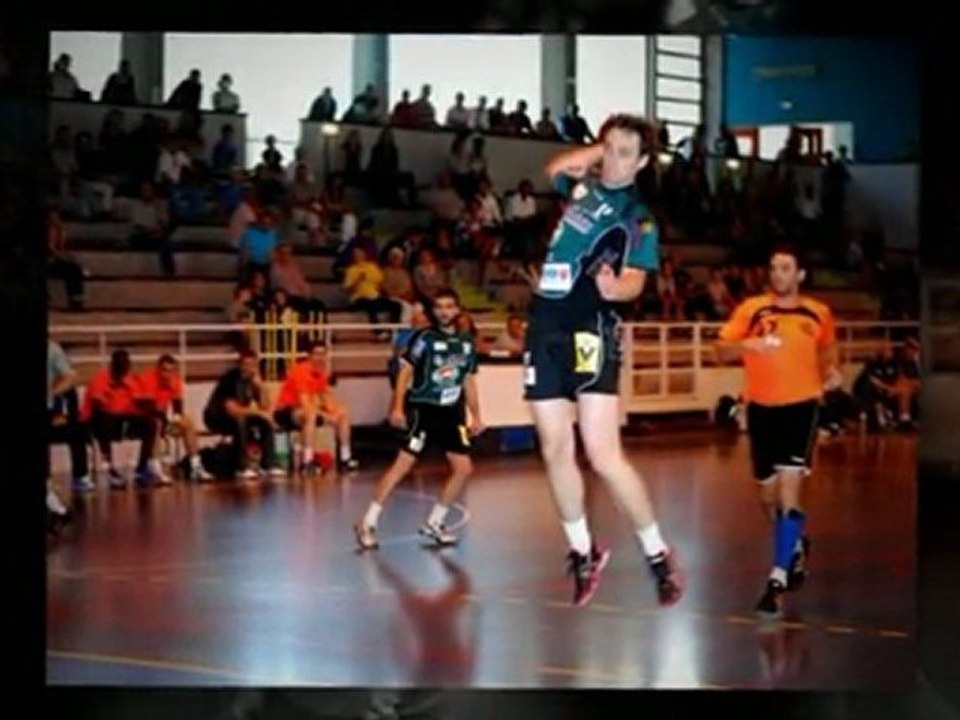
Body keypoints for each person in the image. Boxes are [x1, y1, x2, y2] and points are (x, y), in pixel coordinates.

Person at [523, 114, 683, 608]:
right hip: (546, 322)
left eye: (622, 151)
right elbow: (556, 167)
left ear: (642, 161)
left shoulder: (638, 217)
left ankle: (657, 554)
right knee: (553, 446)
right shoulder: (582, 190)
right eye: (607, 147)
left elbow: (638, 278)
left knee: (602, 454)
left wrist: (619, 289)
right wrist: (599, 150)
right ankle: (583, 551)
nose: (611, 158)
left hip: (592, 327)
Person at [715, 243, 841, 620]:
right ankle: (794, 544)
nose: (778, 274)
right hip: (761, 409)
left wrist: (830, 370)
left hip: (802, 407)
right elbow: (719, 350)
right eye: (774, 268)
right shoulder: (752, 310)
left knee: (789, 493)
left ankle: (777, 579)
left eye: (786, 268)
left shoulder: (818, 313)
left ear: (800, 274)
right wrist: (745, 345)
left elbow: (828, 349)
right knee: (767, 497)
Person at [355, 289, 482, 550]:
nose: (444, 311)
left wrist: (476, 415)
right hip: (423, 410)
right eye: (439, 306)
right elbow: (405, 371)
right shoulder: (424, 337)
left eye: (449, 306)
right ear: (434, 311)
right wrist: (398, 407)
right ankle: (367, 522)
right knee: (402, 466)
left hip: (451, 412)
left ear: (458, 310)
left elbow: (468, 379)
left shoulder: (467, 344)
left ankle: (435, 522)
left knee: (463, 468)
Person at [272, 341, 359, 473]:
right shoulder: (301, 371)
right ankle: (307, 461)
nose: (320, 357)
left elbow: (327, 400)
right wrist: (327, 416)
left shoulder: (321, 373)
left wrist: (336, 413)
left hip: (305, 412)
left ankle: (345, 458)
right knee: (310, 414)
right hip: (285, 412)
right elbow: (306, 404)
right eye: (317, 354)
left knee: (343, 412)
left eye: (323, 354)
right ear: (310, 356)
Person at [80, 349, 160, 489]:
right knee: (104, 420)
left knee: (151, 424)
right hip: (100, 420)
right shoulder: (101, 378)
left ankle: (141, 468)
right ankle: (110, 469)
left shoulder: (132, 380)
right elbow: (98, 405)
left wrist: (144, 406)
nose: (124, 368)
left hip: (125, 419)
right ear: (113, 365)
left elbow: (140, 400)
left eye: (126, 364)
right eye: (121, 364)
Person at [203, 350, 286, 480]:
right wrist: (259, 413)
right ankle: (242, 467)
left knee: (265, 422)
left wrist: (262, 387)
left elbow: (266, 407)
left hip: (241, 415)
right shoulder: (230, 378)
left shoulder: (253, 381)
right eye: (247, 365)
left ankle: (269, 464)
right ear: (240, 365)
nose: (250, 369)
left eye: (253, 365)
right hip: (217, 417)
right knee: (240, 421)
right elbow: (232, 409)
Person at [136, 355, 214, 483]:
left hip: (163, 419)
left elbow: (177, 409)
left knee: (187, 422)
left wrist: (177, 418)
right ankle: (156, 468)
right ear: (158, 370)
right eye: (164, 370)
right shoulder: (147, 380)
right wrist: (165, 420)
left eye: (171, 371)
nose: (167, 375)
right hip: (145, 422)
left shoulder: (175, 382)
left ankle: (196, 466)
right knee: (156, 423)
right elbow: (147, 409)